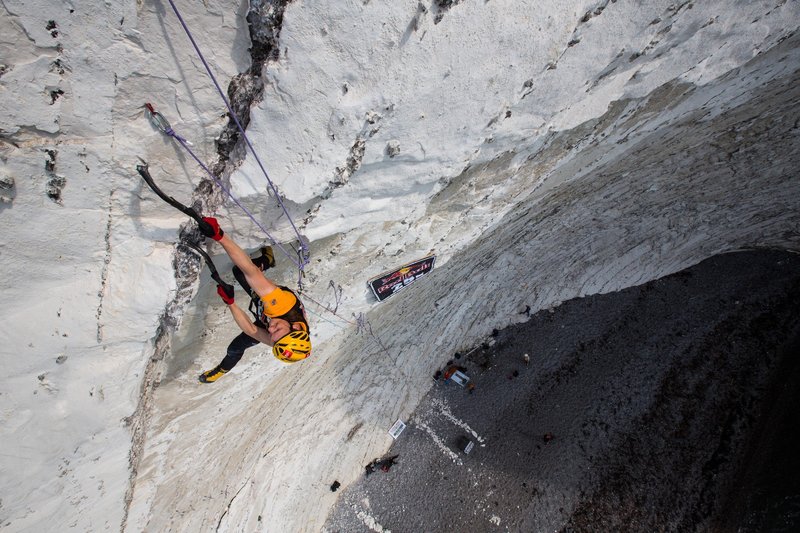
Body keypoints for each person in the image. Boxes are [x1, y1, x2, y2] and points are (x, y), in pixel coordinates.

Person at [197, 217, 311, 383]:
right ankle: (267, 261)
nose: (270, 330)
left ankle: (222, 370)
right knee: (240, 271)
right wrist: (219, 235)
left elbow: (251, 330)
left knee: (234, 348)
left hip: (269, 311)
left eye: (272, 337)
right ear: (295, 327)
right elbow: (250, 271)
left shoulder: (283, 339)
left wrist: (231, 303)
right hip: (270, 304)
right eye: (276, 330)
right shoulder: (281, 305)